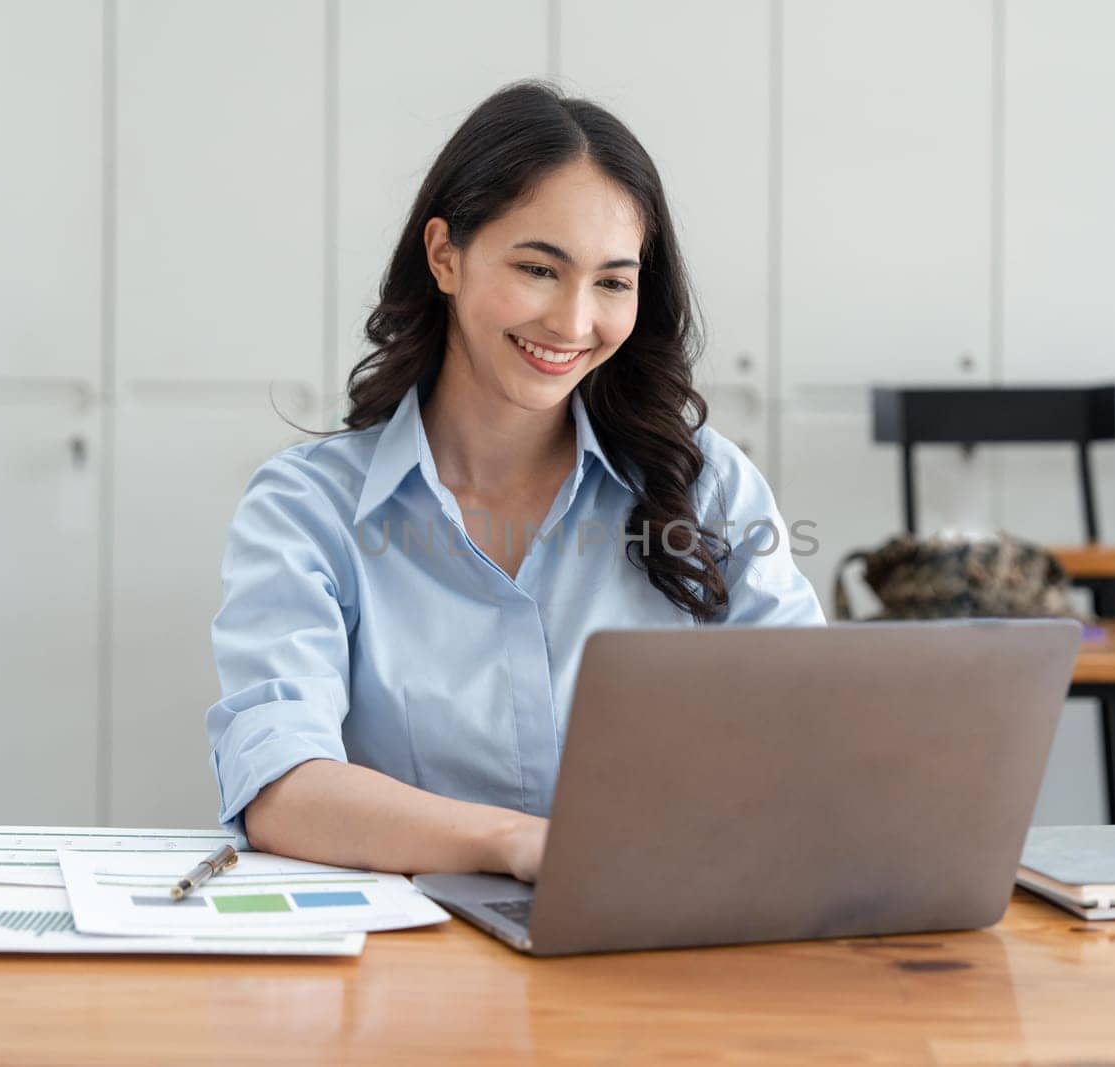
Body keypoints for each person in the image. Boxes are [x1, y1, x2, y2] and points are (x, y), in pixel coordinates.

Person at [205, 82, 824, 884]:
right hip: (414, 968)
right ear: (444, 255)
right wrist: (521, 844)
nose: (572, 323)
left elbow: (815, 731)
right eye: (539, 268)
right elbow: (282, 785)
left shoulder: (705, 485)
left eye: (612, 281)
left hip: (661, 949)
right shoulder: (308, 507)